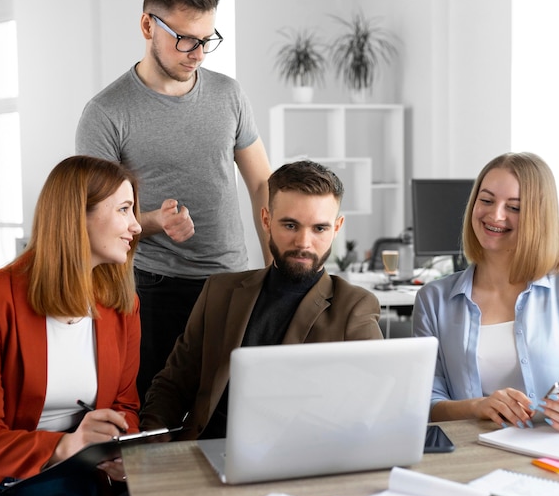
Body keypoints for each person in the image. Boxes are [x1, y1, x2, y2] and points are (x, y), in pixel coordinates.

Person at [75, 0, 272, 402]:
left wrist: (275, 272)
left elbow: (263, 186)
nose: (198, 53)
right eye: (184, 38)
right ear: (148, 25)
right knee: (159, 419)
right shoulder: (106, 113)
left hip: (234, 282)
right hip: (156, 287)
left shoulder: (229, 94)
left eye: (207, 40)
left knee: (235, 413)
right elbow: (91, 221)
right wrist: (154, 222)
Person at [140, 160, 383, 437]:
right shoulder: (219, 291)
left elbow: (371, 409)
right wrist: (151, 436)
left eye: (319, 229)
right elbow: (173, 383)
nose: (304, 242)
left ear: (336, 228)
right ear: (266, 220)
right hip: (208, 451)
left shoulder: (355, 307)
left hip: (296, 462)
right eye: (291, 225)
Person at [0, 156, 142, 496]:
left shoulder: (123, 306)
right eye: (124, 209)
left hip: (63, 474)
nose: (137, 225)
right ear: (77, 216)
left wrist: (119, 449)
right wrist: (66, 444)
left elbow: (126, 406)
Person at [413, 152, 559, 433]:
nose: (495, 215)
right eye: (486, 200)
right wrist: (478, 406)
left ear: (539, 216)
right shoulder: (433, 300)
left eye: (515, 207)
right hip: (472, 454)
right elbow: (425, 402)